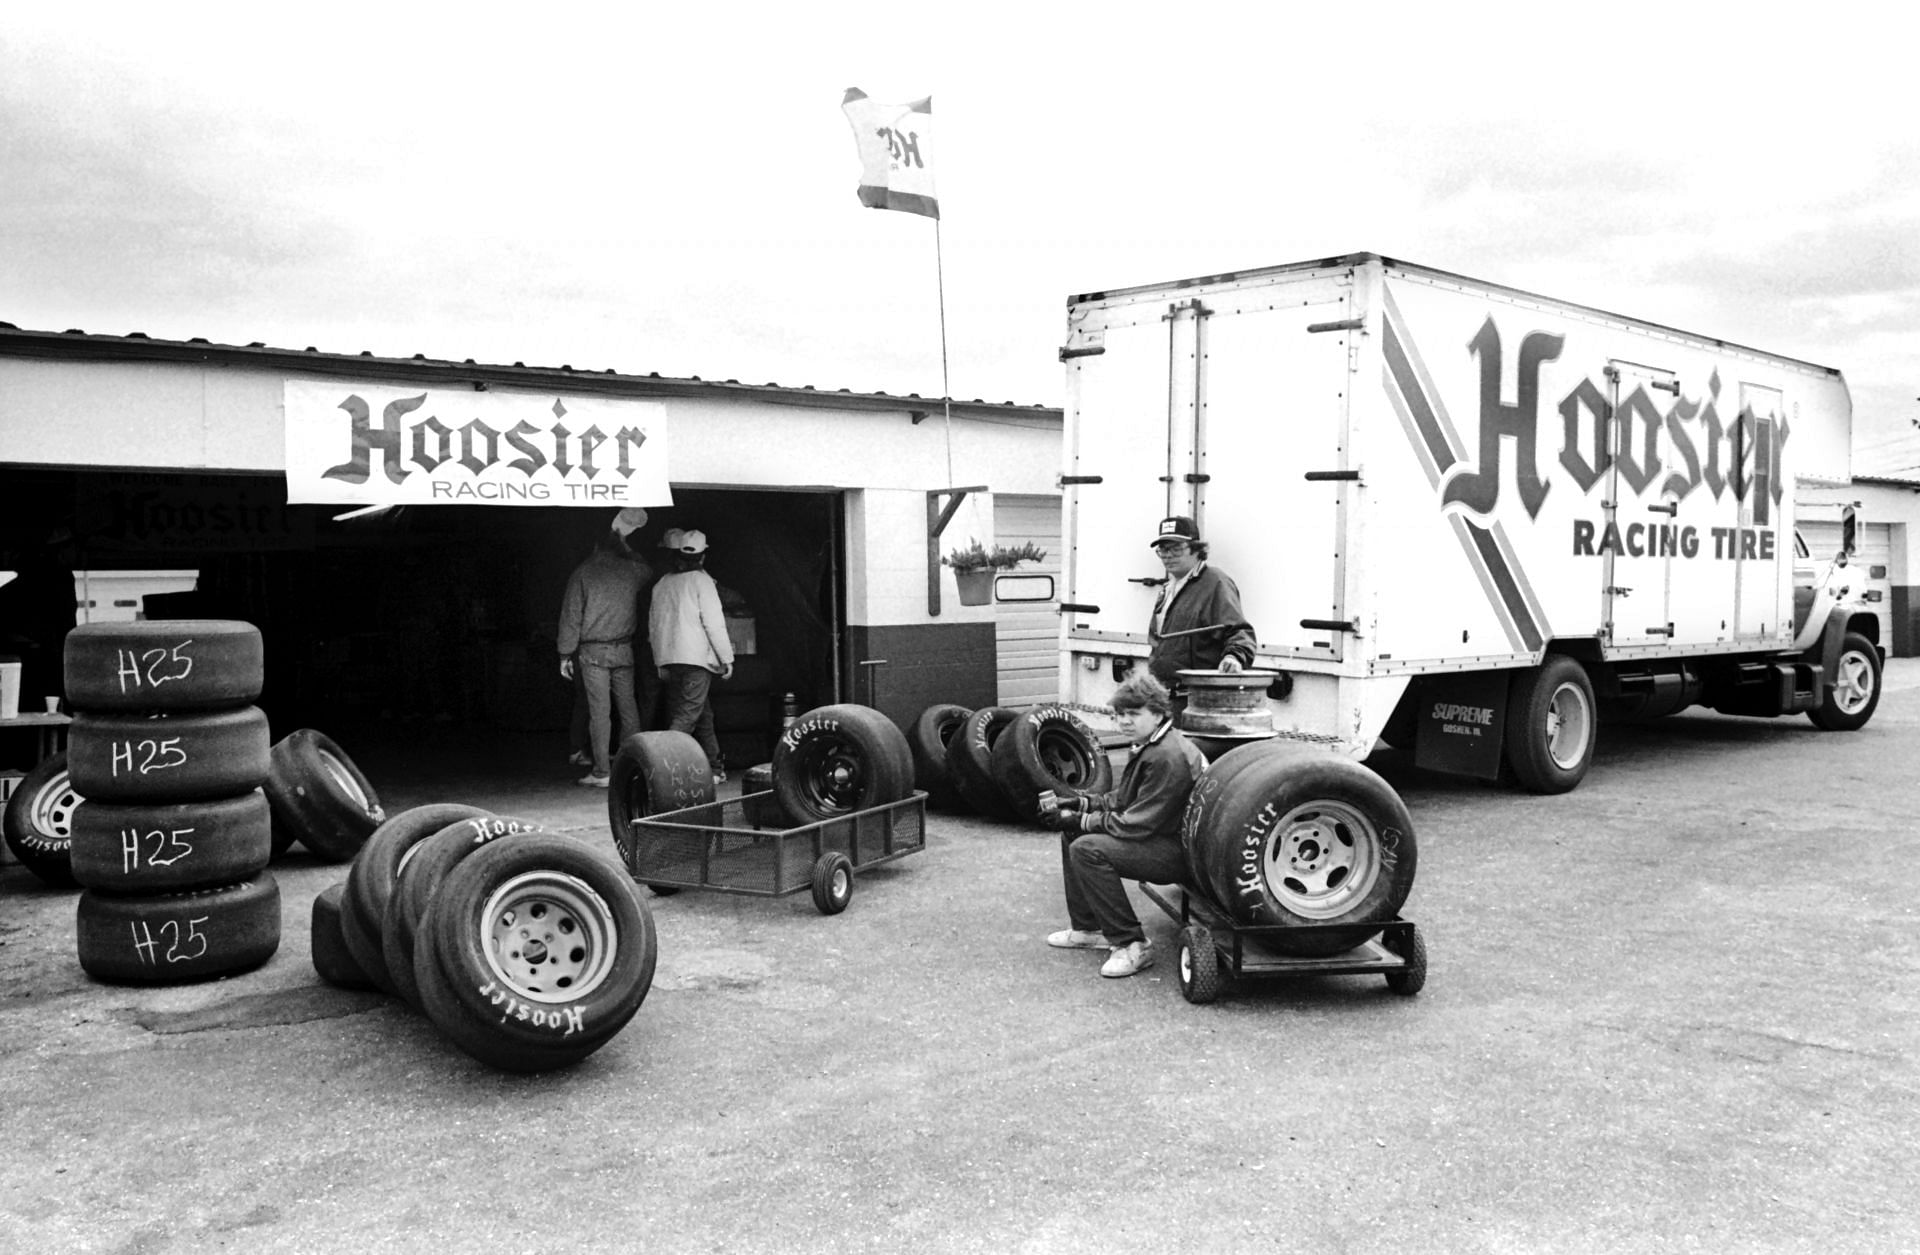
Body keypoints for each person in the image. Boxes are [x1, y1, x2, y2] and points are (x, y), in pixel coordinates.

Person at [1041, 671, 1207, 979]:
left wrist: (1085, 819)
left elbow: (1137, 824)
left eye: (1134, 713)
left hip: (1180, 853)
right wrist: (1081, 804)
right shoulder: (1151, 743)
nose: (1125, 721)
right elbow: (1127, 798)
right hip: (1161, 836)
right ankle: (1090, 929)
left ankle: (1133, 944)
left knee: (1088, 848)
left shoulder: (1167, 756)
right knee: (1074, 831)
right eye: (1120, 714)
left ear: (1158, 713)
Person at [557, 527, 650, 787]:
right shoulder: (632, 570)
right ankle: (635, 764)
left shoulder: (582, 574)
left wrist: (565, 653)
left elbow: (571, 617)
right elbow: (648, 568)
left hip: (593, 651)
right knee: (628, 708)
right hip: (624, 648)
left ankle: (602, 771)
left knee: (600, 712)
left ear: (595, 547)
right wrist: (627, 547)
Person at [649, 527, 734, 784]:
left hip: (670, 660)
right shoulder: (703, 582)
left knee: (701, 714)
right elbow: (714, 623)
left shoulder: (662, 583)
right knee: (687, 716)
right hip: (697, 660)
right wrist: (726, 658)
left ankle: (714, 766)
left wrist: (658, 661)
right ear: (703, 556)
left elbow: (653, 626)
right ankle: (660, 769)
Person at [1143, 515, 1256, 698]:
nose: (1168, 555)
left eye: (1176, 549)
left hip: (1200, 696)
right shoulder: (1167, 588)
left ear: (1196, 549)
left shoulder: (1215, 582)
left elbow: (1239, 631)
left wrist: (1233, 657)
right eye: (1163, 550)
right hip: (1165, 694)